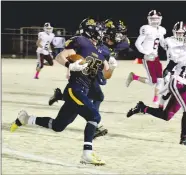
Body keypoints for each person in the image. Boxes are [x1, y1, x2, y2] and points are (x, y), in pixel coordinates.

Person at [10, 18, 118, 165]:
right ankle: (87, 154)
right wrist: (69, 65)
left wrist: (111, 67)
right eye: (99, 30)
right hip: (75, 89)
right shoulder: (82, 41)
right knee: (94, 116)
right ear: (91, 30)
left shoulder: (100, 53)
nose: (102, 32)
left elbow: (105, 77)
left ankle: (26, 119)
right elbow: (60, 56)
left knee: (58, 126)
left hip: (82, 91)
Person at [126, 26, 186, 146]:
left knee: (166, 116)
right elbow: (169, 68)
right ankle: (184, 139)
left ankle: (142, 108)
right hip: (177, 83)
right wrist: (166, 75)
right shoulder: (179, 51)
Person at [125, 10, 166, 104]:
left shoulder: (161, 30)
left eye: (156, 18)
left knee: (160, 79)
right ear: (149, 19)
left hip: (156, 56)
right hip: (148, 58)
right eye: (153, 19)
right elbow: (137, 43)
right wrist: (146, 53)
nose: (155, 21)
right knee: (152, 82)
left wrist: (169, 47)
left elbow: (162, 43)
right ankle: (133, 77)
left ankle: (156, 99)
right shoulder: (146, 28)